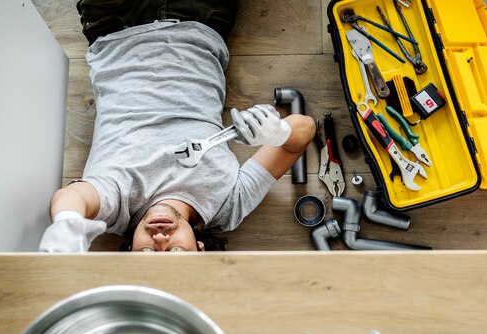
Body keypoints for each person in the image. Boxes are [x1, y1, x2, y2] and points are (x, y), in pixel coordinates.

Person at [39, 0, 316, 252]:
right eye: (174, 252)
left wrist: (66, 222)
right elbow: (305, 130)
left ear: (129, 251)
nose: (159, 239)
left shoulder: (115, 207)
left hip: (113, 23)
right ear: (199, 248)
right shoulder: (228, 205)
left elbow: (73, 197)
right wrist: (279, 133)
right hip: (200, 17)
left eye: (146, 253)